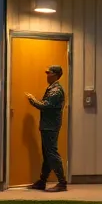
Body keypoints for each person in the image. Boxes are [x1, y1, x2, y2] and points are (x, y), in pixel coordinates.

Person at [26, 64, 68, 192]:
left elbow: (45, 105)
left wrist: (32, 100)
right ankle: (42, 181)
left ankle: (62, 183)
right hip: (48, 126)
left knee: (51, 154)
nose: (47, 75)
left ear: (55, 75)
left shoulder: (55, 91)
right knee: (47, 154)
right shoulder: (52, 88)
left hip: (50, 127)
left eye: (49, 73)